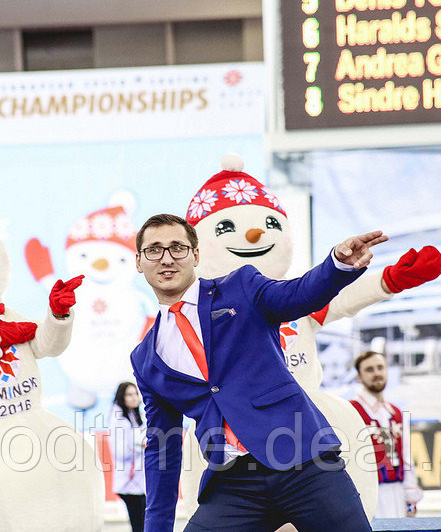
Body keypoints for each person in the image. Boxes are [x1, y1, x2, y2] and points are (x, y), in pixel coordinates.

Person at [130, 213, 387, 532]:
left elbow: (296, 295)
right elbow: (162, 447)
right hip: (233, 484)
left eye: (177, 248)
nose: (166, 258)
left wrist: (337, 265)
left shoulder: (240, 287)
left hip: (304, 462)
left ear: (195, 255)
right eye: (154, 250)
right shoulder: (145, 358)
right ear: (139, 261)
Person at [350, 350, 422, 518]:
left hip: (397, 492)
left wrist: (410, 498)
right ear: (358, 377)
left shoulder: (394, 412)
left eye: (380, 367)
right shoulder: (351, 410)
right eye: (369, 369)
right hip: (368, 494)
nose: (376, 373)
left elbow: (405, 456)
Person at [109, 381, 147, 532]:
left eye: (135, 394)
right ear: (121, 398)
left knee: (142, 524)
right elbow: (120, 452)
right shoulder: (119, 421)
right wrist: (140, 445)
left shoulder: (136, 416)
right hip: (128, 482)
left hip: (139, 482)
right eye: (129, 395)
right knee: (139, 525)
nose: (134, 398)